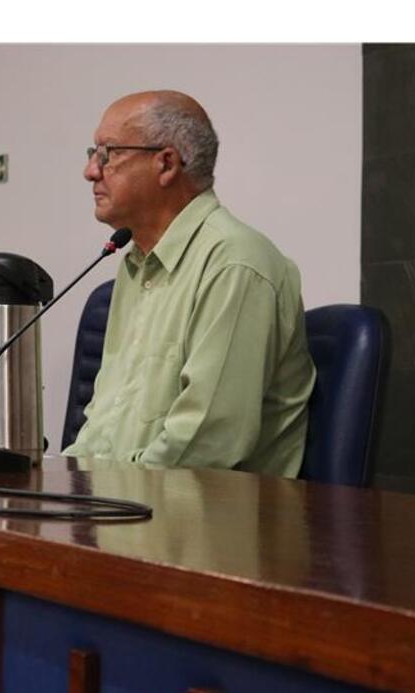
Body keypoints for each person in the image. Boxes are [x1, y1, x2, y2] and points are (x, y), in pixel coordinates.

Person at [63, 90, 315, 477]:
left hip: (205, 524)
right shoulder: (136, 264)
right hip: (130, 509)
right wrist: (64, 480)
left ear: (166, 164)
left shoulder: (234, 264)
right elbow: (104, 419)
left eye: (108, 153)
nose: (90, 171)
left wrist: (94, 501)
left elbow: (206, 444)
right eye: (92, 153)